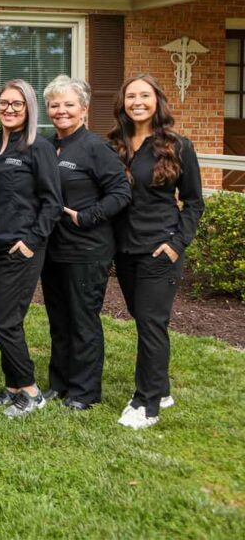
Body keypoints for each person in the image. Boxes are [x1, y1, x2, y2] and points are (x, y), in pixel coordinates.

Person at [109, 73, 204, 429]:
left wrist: (177, 244)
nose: (137, 102)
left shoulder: (177, 146)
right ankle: (161, 388)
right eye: (130, 95)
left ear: (157, 101)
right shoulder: (116, 144)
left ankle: (146, 403)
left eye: (144, 95)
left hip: (159, 249)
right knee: (143, 318)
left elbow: (194, 201)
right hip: (125, 250)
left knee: (151, 324)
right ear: (122, 103)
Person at [41, 76, 131, 411]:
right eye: (54, 105)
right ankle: (59, 384)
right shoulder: (48, 145)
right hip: (53, 249)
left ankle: (84, 391)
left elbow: (121, 193)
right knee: (59, 319)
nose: (61, 110)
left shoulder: (95, 148)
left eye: (68, 104)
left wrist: (84, 217)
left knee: (83, 321)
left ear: (83, 109)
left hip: (86, 249)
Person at [0, 80, 62, 417]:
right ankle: (12, 387)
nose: (9, 109)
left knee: (2, 321)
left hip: (21, 247)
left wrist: (31, 242)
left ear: (28, 108)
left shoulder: (37, 148)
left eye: (17, 104)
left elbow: (52, 202)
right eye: (4, 102)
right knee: (6, 319)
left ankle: (30, 390)